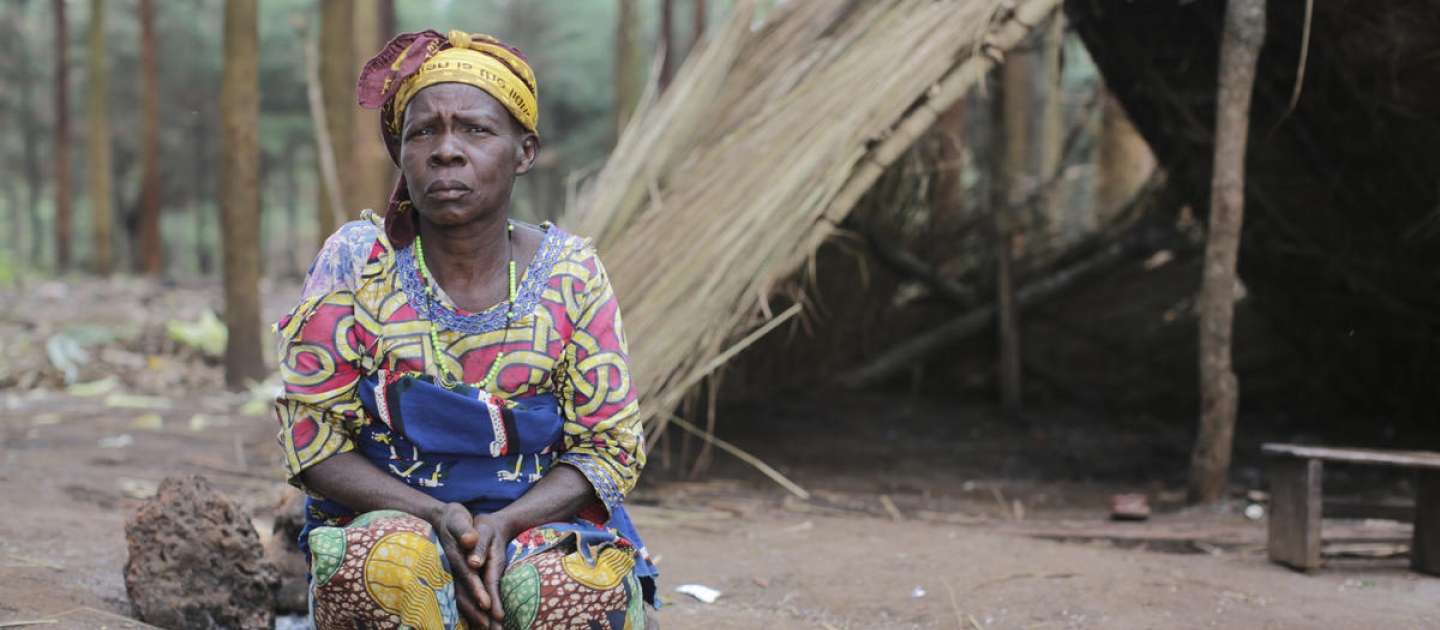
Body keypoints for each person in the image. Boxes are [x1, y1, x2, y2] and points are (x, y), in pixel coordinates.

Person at [273, 29, 656, 630]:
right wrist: (434, 515)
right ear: (401, 152)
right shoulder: (355, 263)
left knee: (566, 584)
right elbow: (312, 440)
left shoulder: (571, 274)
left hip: (535, 524)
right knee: (393, 565)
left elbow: (611, 447)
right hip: (392, 520)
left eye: (476, 130)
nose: (446, 150)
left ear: (524, 152)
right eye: (424, 131)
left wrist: (504, 526)